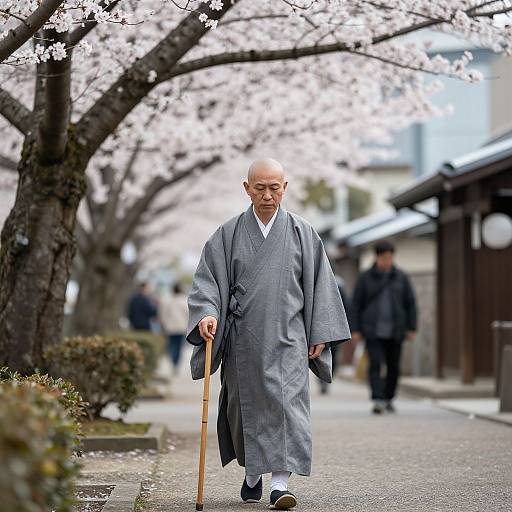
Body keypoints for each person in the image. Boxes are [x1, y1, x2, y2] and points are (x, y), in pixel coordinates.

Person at [187, 158, 351, 510]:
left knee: (287, 407)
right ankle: (252, 474)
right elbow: (208, 285)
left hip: (289, 339)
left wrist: (319, 331)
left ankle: (279, 484)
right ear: (246, 188)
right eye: (259, 188)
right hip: (243, 340)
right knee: (244, 408)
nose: (267, 195)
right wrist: (207, 316)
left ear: (285, 188)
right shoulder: (227, 235)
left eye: (274, 187)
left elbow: (320, 287)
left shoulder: (303, 234)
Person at [351, 240, 417, 414]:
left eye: (389, 258)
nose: (387, 261)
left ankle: (389, 397)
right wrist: (355, 329)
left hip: (396, 330)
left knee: (394, 366)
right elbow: (356, 304)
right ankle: (378, 399)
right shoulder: (365, 277)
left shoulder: (401, 277)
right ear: (377, 257)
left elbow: (410, 303)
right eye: (383, 258)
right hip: (372, 330)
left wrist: (412, 327)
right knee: (375, 365)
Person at [160, 282, 189, 373]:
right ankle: (176, 363)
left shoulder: (167, 300)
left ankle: (173, 361)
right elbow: (188, 314)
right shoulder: (184, 300)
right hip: (181, 327)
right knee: (179, 346)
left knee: (172, 345)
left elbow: (163, 314)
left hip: (170, 327)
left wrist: (164, 324)